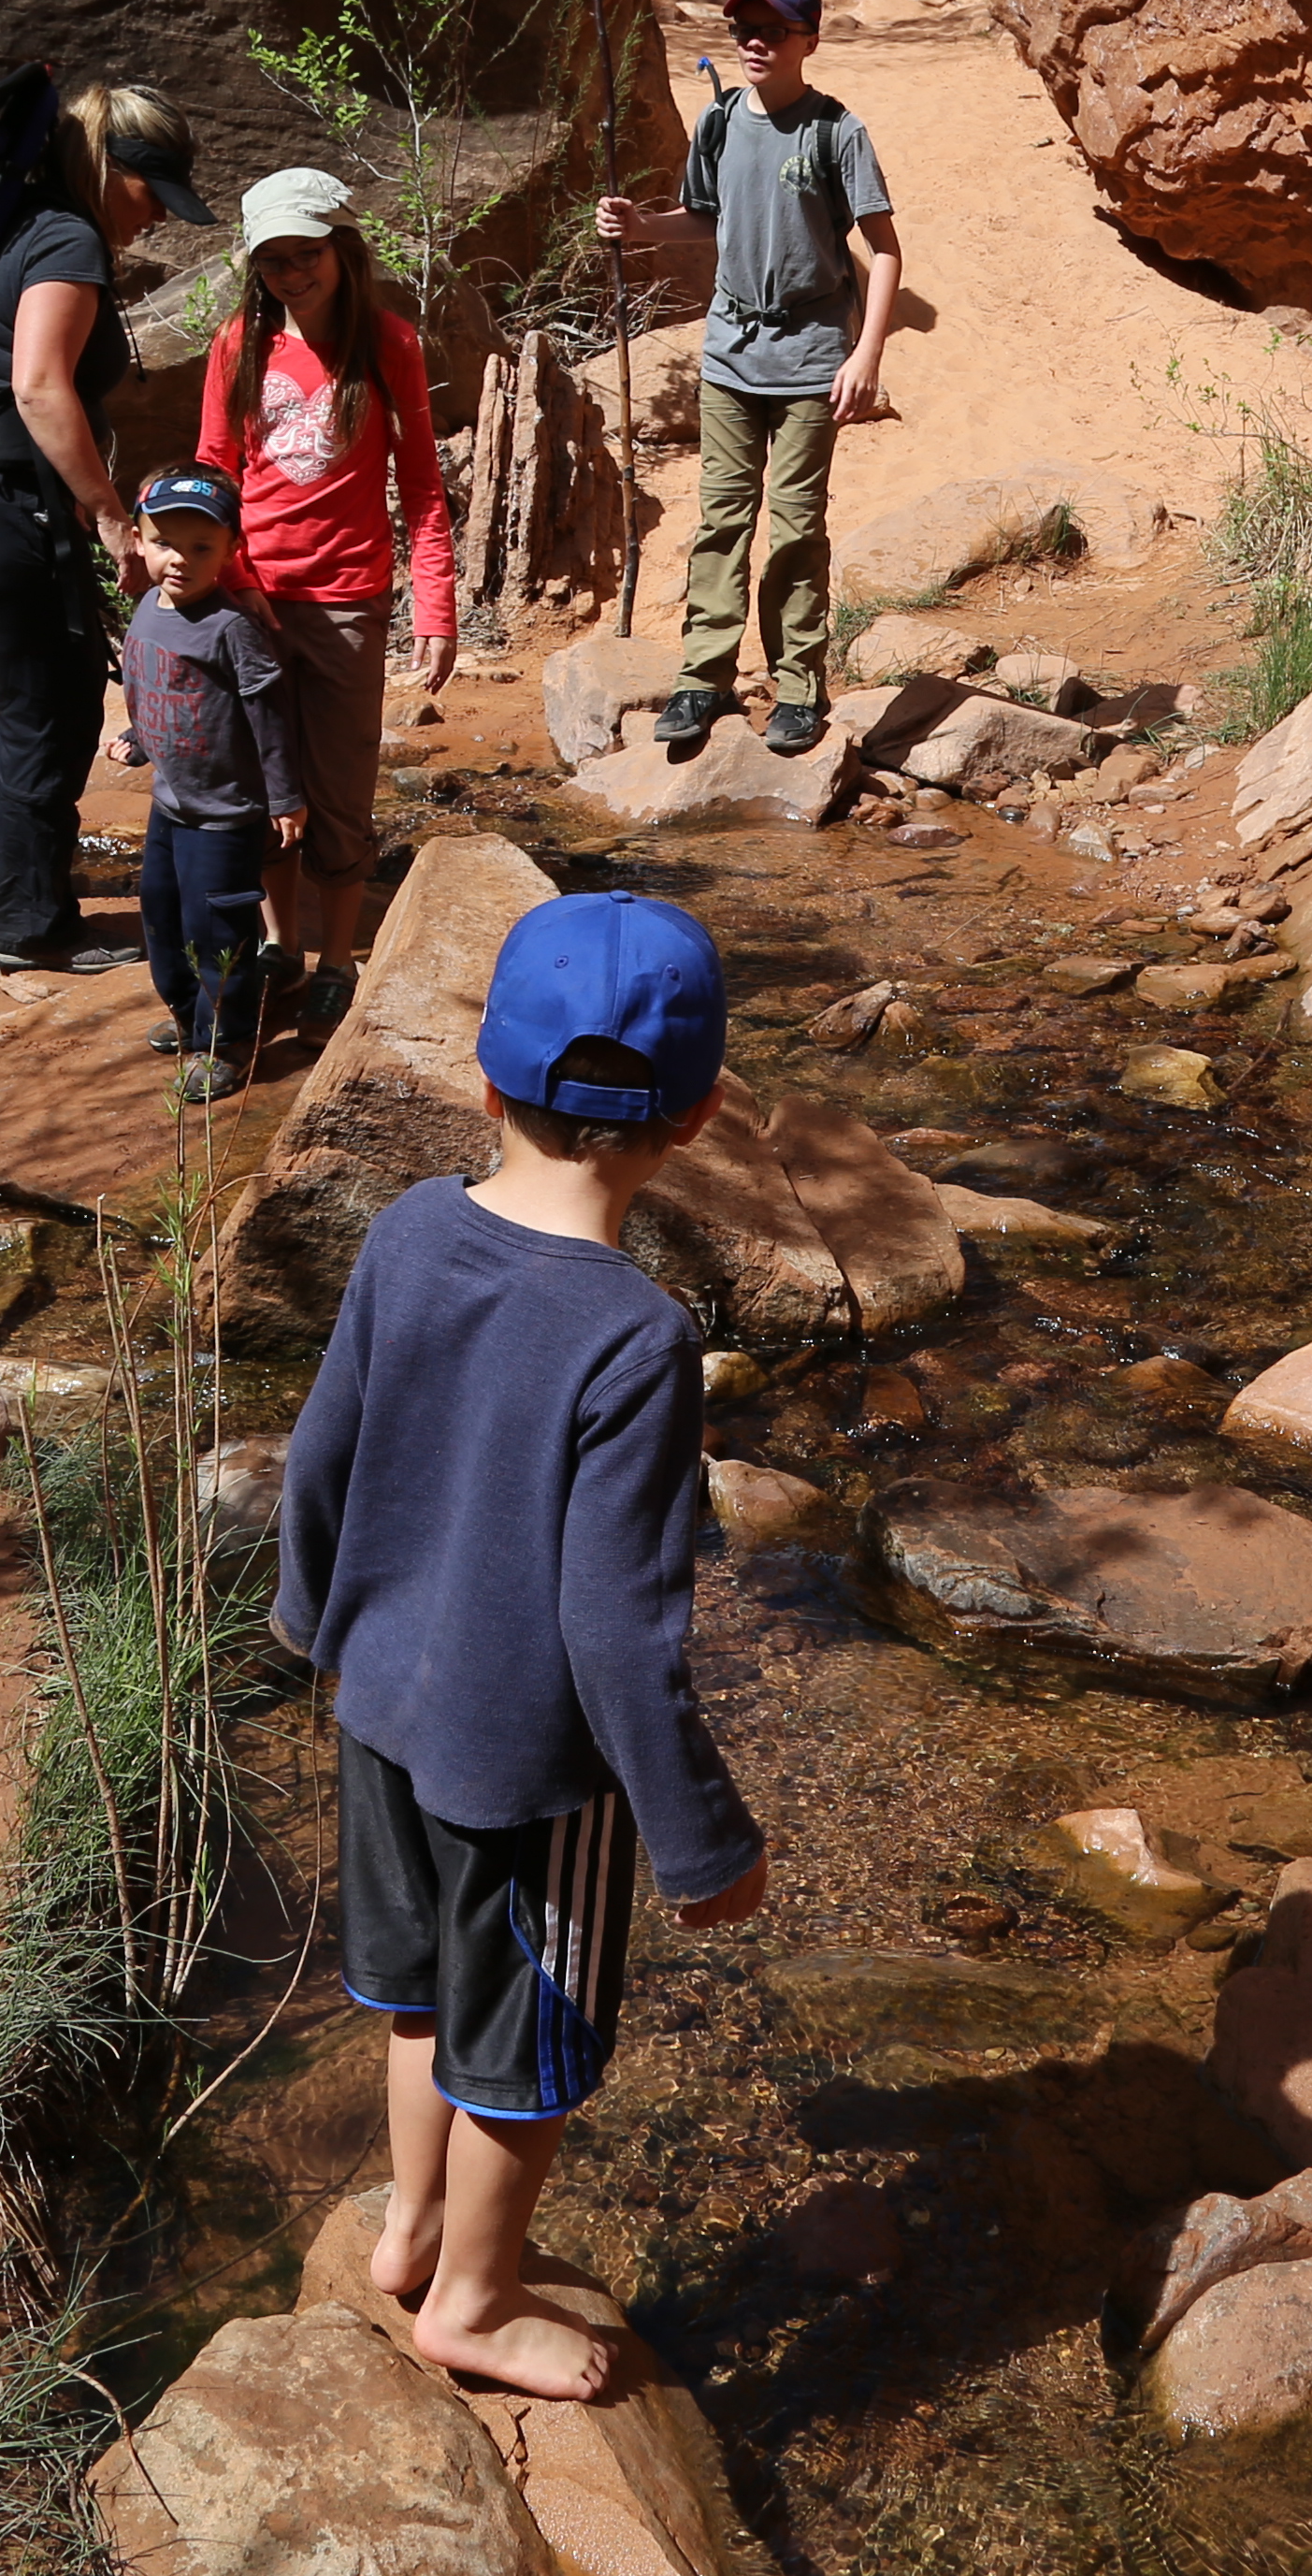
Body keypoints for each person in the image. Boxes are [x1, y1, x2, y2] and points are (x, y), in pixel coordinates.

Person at [270, 892, 771, 2401]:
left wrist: (317, 1624)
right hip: (527, 1767)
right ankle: (473, 2303)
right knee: (528, 2043)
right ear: (694, 1116)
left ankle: (411, 2225)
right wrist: (698, 1840)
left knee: (422, 1993)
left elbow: (322, 1452)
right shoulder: (634, 1333)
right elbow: (620, 1622)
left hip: (380, 1697)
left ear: (486, 1083)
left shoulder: (413, 1228)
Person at [0, 81, 210, 975]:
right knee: (57, 710)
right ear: (112, 169)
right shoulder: (67, 238)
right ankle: (32, 929)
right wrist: (115, 521)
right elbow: (41, 389)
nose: (156, 218)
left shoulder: (12, 220)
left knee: (44, 682)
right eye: (152, 194)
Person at [595, 0, 901, 759]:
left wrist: (865, 354)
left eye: (772, 29)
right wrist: (640, 228)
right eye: (744, 29)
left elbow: (886, 250)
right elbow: (703, 218)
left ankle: (799, 688)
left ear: (810, 40)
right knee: (721, 521)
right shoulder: (722, 120)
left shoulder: (837, 131)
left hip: (810, 358)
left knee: (797, 527)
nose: (755, 42)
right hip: (731, 355)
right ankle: (704, 678)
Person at [199, 167, 456, 1032]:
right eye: (272, 260)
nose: (290, 273)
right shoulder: (240, 342)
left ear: (343, 251)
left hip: (347, 597)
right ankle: (282, 944)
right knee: (270, 781)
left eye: (305, 254)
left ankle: (340, 955)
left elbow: (419, 485)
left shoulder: (387, 344)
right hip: (253, 596)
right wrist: (225, 579)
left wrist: (436, 606)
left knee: (340, 787)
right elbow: (215, 472)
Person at [119, 461, 300, 1104]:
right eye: (165, 543)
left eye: (201, 548)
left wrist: (283, 795)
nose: (180, 561)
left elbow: (269, 715)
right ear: (138, 539)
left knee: (219, 931)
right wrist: (141, 738)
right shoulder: (147, 607)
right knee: (162, 917)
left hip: (224, 812)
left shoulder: (230, 628)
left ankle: (225, 1043)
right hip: (170, 802)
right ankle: (187, 1016)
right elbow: (152, 684)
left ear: (231, 551)